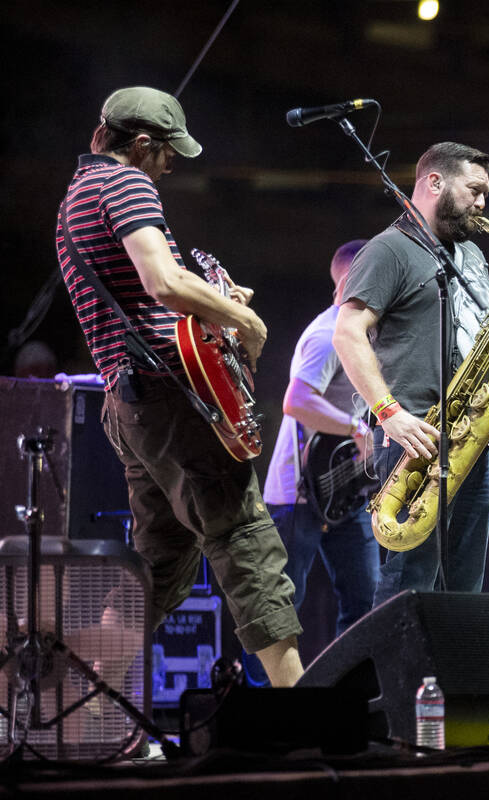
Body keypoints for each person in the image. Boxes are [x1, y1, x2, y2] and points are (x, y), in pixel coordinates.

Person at [56, 86, 302, 686]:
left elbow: (145, 297)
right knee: (244, 540)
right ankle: (303, 712)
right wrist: (243, 320)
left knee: (158, 564)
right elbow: (163, 283)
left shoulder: (75, 196)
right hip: (170, 401)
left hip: (132, 406)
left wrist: (215, 301)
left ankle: (87, 704)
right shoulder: (125, 183)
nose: (170, 165)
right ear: (142, 144)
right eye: (168, 152)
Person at [333, 142, 489, 603]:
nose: (482, 203)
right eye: (474, 190)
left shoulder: (472, 255)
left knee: (464, 588)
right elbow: (347, 333)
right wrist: (389, 413)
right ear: (434, 182)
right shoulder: (388, 250)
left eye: (486, 193)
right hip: (415, 437)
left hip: (471, 435)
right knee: (409, 582)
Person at [243, 240, 380, 684]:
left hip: (344, 491)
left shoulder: (364, 335)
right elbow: (297, 401)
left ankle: (350, 698)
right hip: (298, 496)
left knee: (365, 603)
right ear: (352, 280)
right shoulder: (326, 335)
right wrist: (356, 428)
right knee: (278, 610)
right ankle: (256, 701)